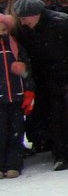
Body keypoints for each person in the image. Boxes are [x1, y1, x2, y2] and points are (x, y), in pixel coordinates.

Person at [14, 0, 68, 170]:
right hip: (48, 81)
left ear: (35, 14)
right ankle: (60, 156)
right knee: (54, 119)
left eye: (24, 18)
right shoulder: (28, 31)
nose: (23, 22)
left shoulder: (63, 22)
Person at [0, 13, 31, 178]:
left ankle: (14, 164)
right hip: (1, 98)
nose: (2, 32)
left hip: (16, 96)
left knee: (16, 131)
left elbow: (27, 71)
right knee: (1, 132)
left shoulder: (15, 46)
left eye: (4, 29)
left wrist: (26, 81)